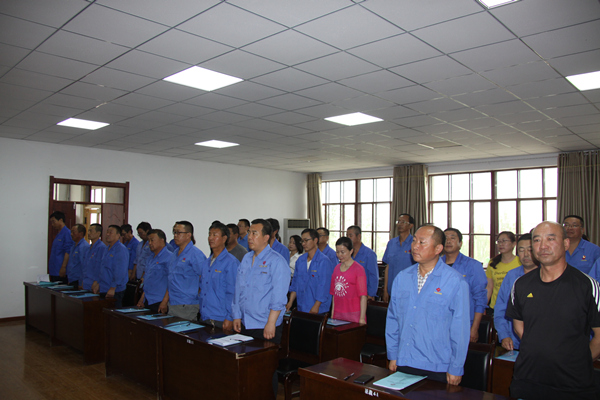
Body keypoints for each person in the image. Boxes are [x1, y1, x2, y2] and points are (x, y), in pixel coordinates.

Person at [506, 221, 600, 400]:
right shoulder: (521, 285)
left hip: (573, 386)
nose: (543, 246)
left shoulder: (587, 286)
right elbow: (519, 326)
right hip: (527, 381)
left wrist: (578, 362)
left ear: (565, 243)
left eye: (550, 239)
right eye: (537, 240)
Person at [386, 225, 470, 385]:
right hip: (404, 360)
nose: (415, 246)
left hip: (437, 366)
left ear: (438, 248)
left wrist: (456, 367)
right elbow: (393, 319)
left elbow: (460, 330)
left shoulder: (455, 281)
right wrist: (393, 354)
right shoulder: (402, 278)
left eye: (422, 242)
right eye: (414, 241)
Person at [232, 219, 289, 397]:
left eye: (254, 233)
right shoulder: (246, 259)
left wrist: (271, 323)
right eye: (249, 232)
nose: (249, 237)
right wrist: (236, 315)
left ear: (266, 237)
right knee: (247, 368)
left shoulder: (277, 262)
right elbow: (238, 289)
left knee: (265, 370)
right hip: (245, 322)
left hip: (265, 325)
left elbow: (279, 297)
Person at [441, 228, 487, 343]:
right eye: (445, 238)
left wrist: (474, 328)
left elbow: (480, 299)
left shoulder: (473, 265)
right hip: (440, 324)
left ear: (460, 243)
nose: (448, 241)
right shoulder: (436, 265)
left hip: (464, 324)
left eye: (452, 238)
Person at [493, 233, 538, 351]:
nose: (526, 254)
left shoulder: (545, 275)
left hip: (540, 342)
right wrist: (504, 335)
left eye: (530, 250)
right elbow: (501, 308)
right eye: (521, 250)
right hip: (514, 342)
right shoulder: (512, 275)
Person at [199, 221, 239, 329]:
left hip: (221, 319)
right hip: (205, 316)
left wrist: (230, 317)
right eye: (209, 234)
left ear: (224, 238)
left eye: (215, 235)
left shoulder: (231, 262)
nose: (211, 238)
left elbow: (234, 292)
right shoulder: (206, 263)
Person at [166, 221, 206, 321]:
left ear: (188, 235)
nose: (175, 235)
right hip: (173, 301)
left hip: (187, 304)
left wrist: (194, 296)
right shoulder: (175, 253)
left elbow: (205, 278)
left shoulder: (196, 254)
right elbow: (171, 279)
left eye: (179, 233)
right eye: (174, 232)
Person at [287, 229, 333, 314]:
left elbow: (324, 287)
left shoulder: (324, 261)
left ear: (315, 240)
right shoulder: (300, 260)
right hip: (301, 307)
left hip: (318, 309)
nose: (303, 244)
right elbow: (295, 283)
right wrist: (290, 302)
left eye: (306, 240)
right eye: (302, 241)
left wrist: (316, 306)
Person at [330, 237, 367, 324]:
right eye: (337, 252)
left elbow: (363, 296)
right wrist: (332, 314)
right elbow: (334, 295)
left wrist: (362, 318)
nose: (340, 255)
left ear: (351, 251)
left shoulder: (358, 269)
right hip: (338, 314)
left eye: (343, 252)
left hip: (354, 315)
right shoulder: (336, 269)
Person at [93, 225, 129, 308]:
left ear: (118, 235)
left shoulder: (121, 249)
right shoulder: (107, 248)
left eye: (111, 232)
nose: (108, 234)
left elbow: (120, 271)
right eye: (107, 232)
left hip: (115, 290)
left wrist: (113, 287)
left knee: (113, 313)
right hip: (104, 287)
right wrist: (98, 283)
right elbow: (102, 268)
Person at [136, 229, 171, 313]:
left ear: (162, 240)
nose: (150, 243)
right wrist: (142, 298)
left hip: (159, 301)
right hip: (148, 300)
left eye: (152, 240)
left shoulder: (169, 257)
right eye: (149, 241)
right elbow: (147, 280)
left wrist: (164, 302)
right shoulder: (150, 258)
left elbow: (171, 282)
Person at [382, 214, 414, 302]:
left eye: (403, 222)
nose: (400, 224)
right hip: (392, 290)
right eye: (398, 221)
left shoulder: (414, 243)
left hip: (409, 291)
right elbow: (388, 267)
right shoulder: (391, 243)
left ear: (411, 226)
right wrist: (385, 290)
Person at [486, 231, 520, 314]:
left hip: (515, 306)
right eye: (499, 241)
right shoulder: (493, 263)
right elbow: (489, 287)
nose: (501, 244)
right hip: (496, 307)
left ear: (514, 244)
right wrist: (483, 305)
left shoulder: (520, 262)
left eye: (504, 241)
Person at [346, 225, 378, 298]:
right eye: (347, 236)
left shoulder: (369, 254)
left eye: (350, 236)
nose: (348, 238)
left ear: (359, 236)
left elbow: (373, 276)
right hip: (349, 293)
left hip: (363, 294)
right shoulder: (347, 253)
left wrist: (371, 294)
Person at [49, 211, 74, 282]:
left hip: (60, 270)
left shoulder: (67, 233)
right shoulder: (59, 234)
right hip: (54, 270)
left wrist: (63, 267)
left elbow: (68, 251)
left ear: (60, 220)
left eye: (54, 222)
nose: (52, 224)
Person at [81, 223, 106, 291]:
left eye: (91, 231)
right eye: (88, 231)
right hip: (86, 281)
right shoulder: (88, 248)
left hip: (94, 282)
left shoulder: (101, 247)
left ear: (98, 233)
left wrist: (96, 281)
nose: (88, 233)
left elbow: (100, 267)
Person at [65, 224, 90, 289]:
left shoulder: (84, 246)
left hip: (78, 281)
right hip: (72, 279)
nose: (71, 234)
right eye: (71, 232)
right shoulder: (73, 246)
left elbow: (84, 266)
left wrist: (81, 282)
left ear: (81, 234)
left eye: (73, 232)